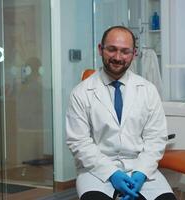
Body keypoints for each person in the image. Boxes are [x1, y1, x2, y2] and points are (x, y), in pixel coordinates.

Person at [66, 26, 176, 200]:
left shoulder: (148, 90)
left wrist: (141, 173)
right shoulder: (81, 92)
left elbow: (156, 138)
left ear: (134, 54)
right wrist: (112, 173)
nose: (118, 57)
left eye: (125, 51)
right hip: (97, 171)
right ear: (100, 49)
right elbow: (78, 142)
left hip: (140, 168)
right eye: (112, 49)